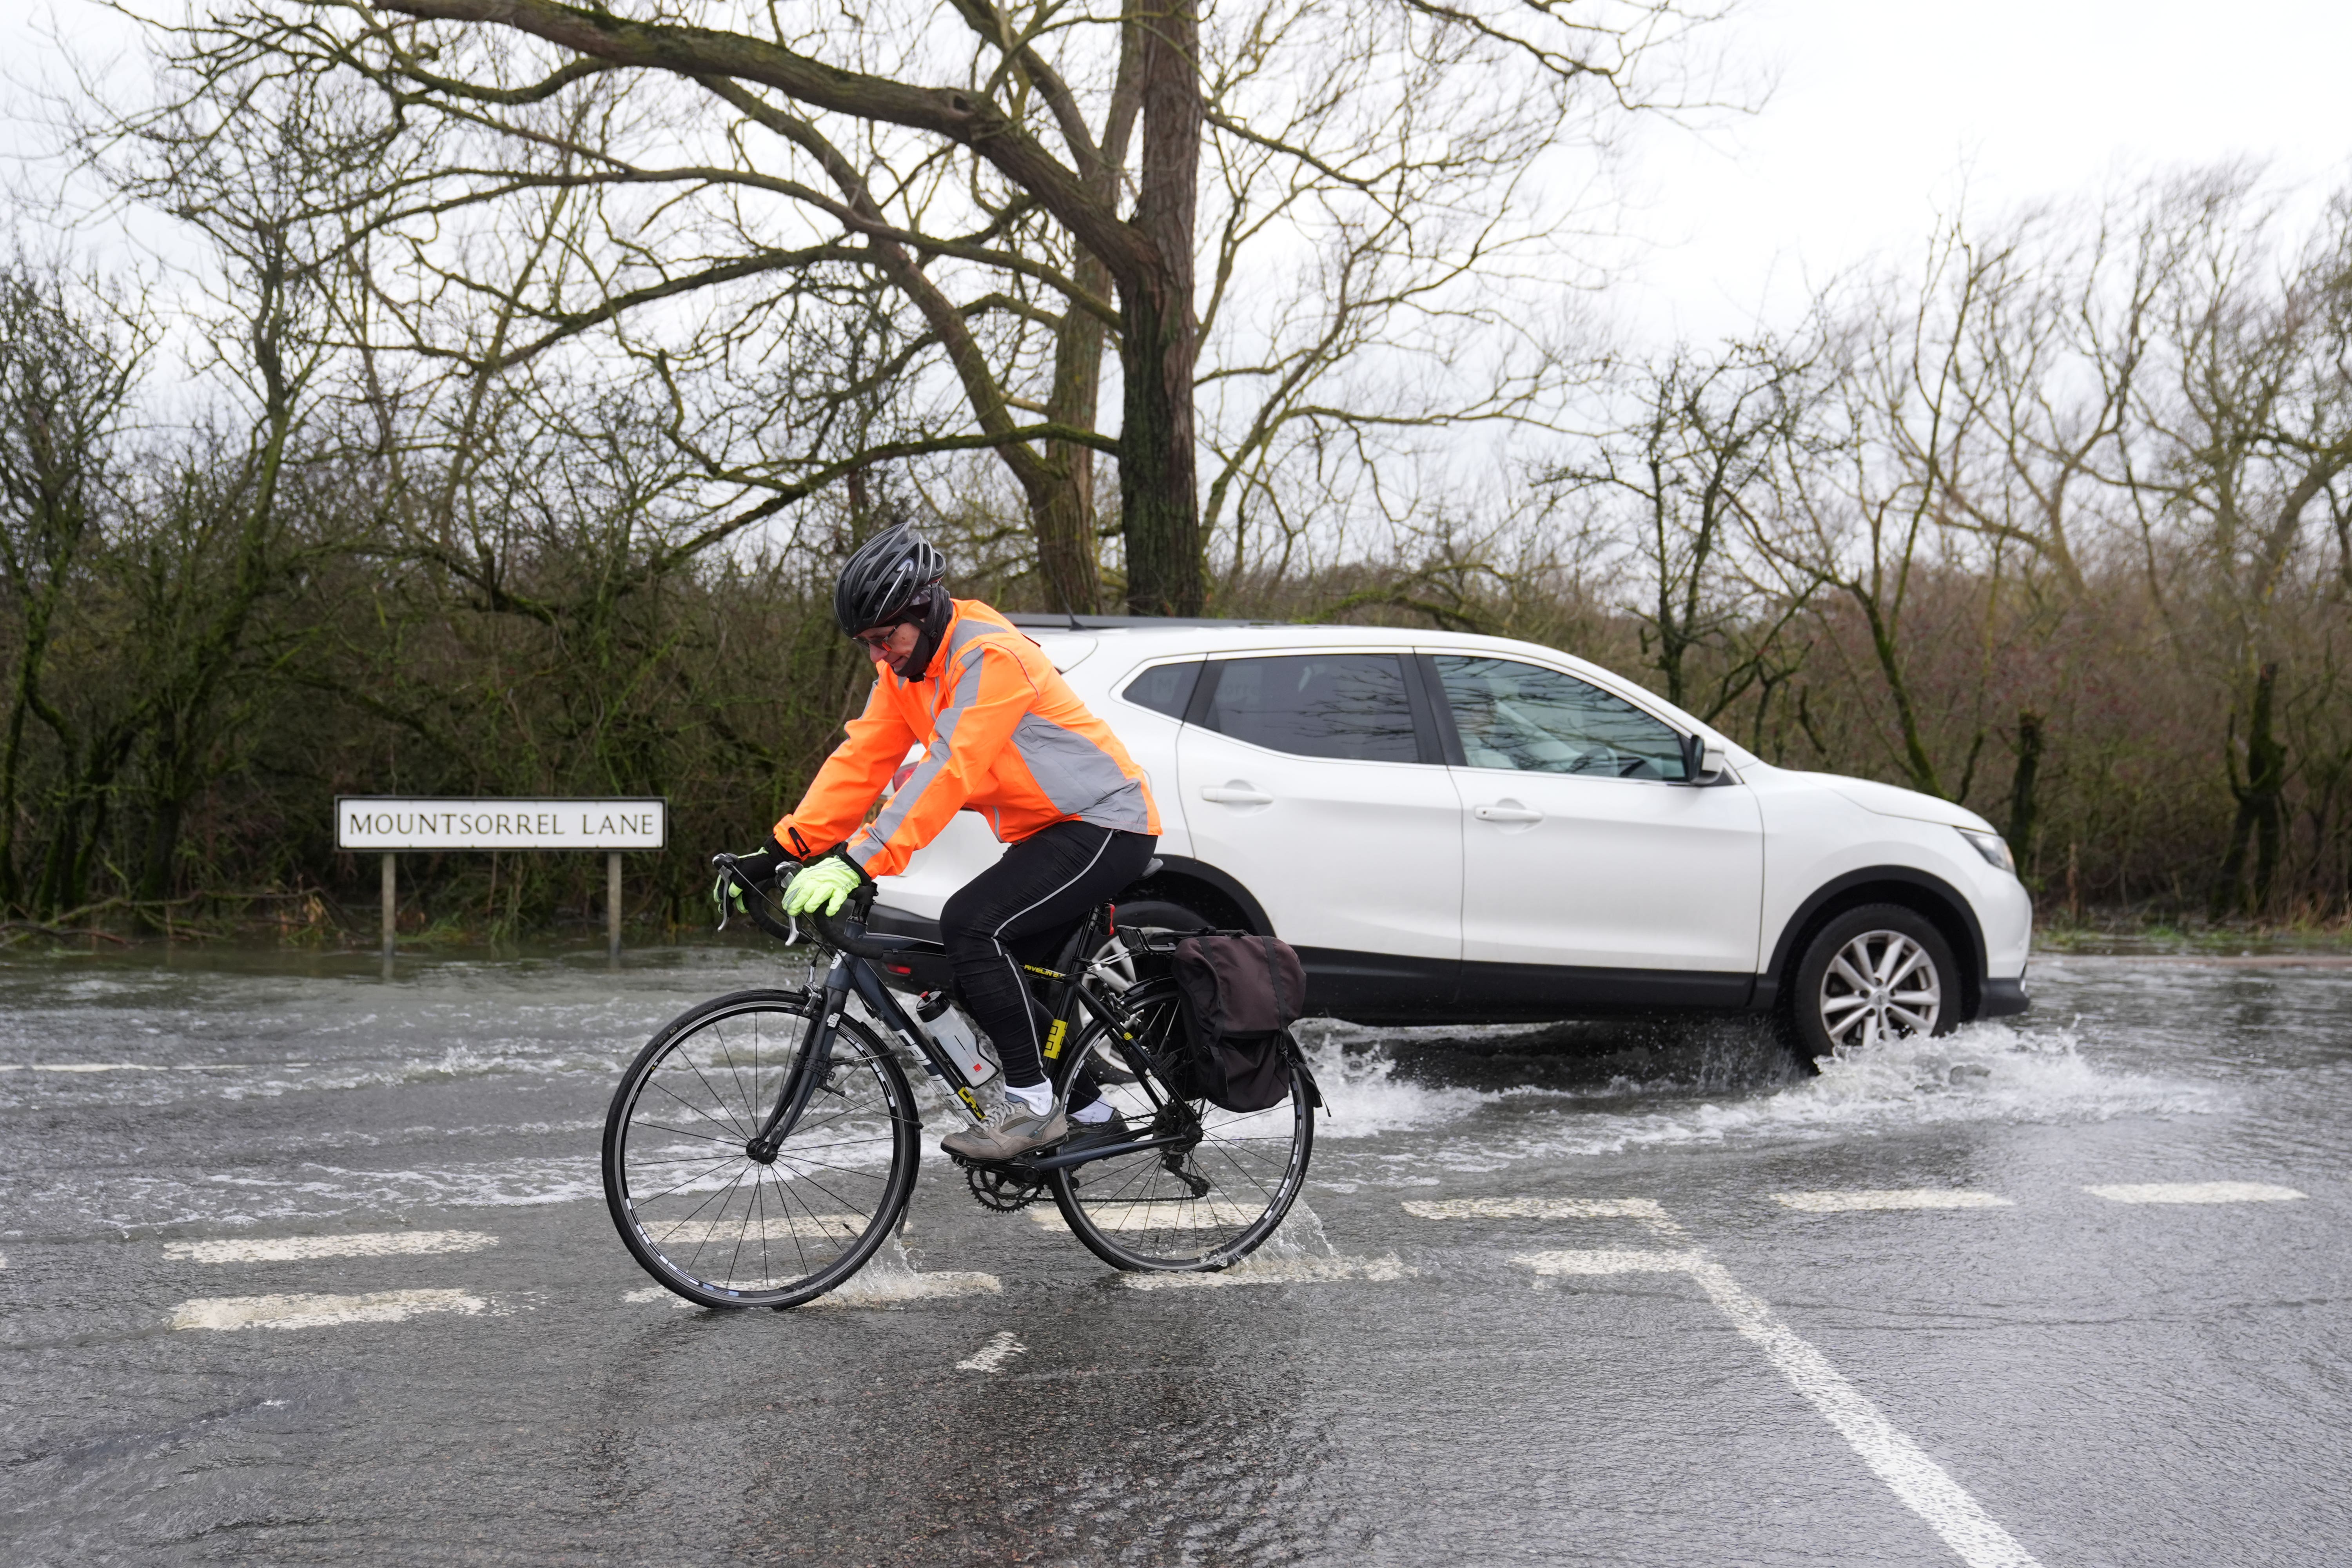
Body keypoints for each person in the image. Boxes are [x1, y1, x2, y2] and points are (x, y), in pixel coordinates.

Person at [722, 524, 1159, 1161]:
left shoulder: (989, 655)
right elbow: (861, 761)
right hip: (1045, 830)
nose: (878, 655)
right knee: (981, 976)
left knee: (971, 926)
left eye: (884, 638)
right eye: (865, 644)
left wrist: (857, 861)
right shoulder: (907, 675)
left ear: (922, 613)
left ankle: (1034, 1110)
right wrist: (780, 849)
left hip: (1106, 823)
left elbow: (950, 769)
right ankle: (1092, 1110)